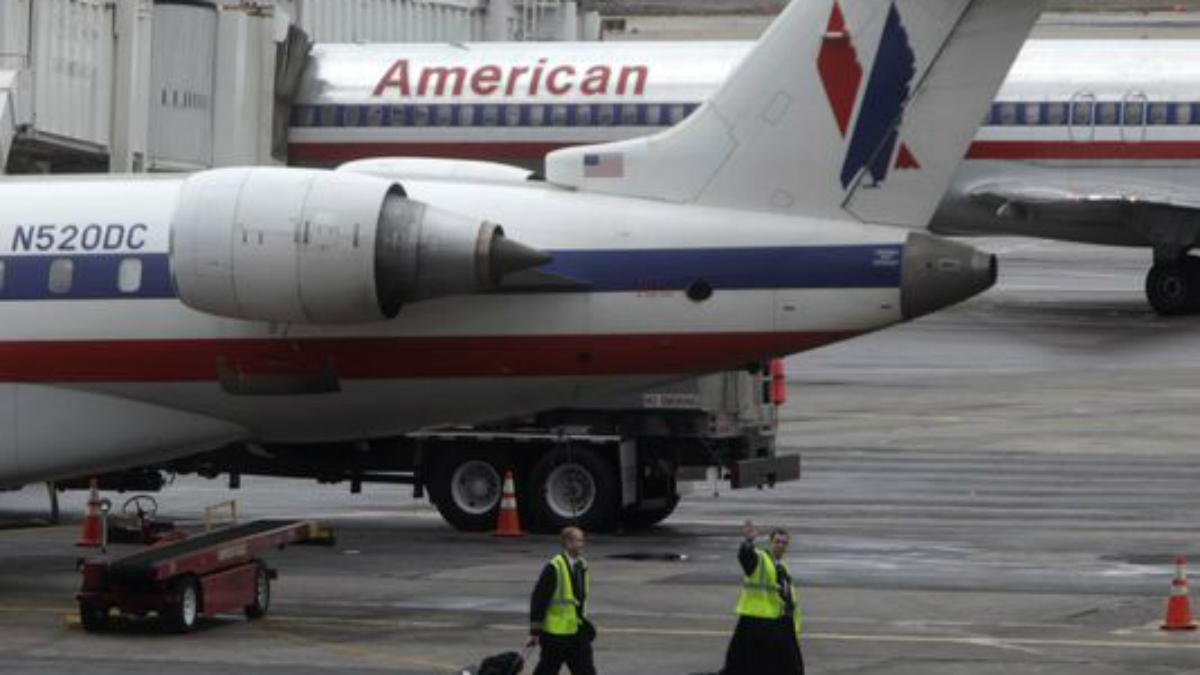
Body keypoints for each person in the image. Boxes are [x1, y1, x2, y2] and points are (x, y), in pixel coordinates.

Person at [721, 519, 804, 675]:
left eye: (784, 543)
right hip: (755, 622)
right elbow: (746, 558)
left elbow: (788, 599)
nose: (780, 545)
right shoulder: (761, 559)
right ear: (770, 542)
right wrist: (748, 541)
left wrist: (793, 625)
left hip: (776, 623)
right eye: (777, 541)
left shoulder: (783, 567)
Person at [528, 526, 597, 675]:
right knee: (547, 669)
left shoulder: (582, 565)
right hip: (556, 635)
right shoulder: (554, 566)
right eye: (579, 540)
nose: (582, 544)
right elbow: (539, 598)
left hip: (576, 632)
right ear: (568, 542)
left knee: (586, 670)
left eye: (582, 540)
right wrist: (535, 630)